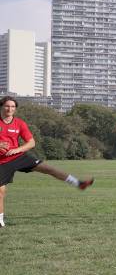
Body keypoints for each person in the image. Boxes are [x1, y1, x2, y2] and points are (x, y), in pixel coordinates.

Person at [0, 96, 94, 227]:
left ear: (15, 109)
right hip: (2, 162)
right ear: (2, 107)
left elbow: (31, 142)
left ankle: (79, 183)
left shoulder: (19, 123)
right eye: (7, 106)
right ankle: (0, 221)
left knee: (50, 169)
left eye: (12, 107)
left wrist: (17, 150)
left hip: (19, 157)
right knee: (1, 191)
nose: (9, 109)